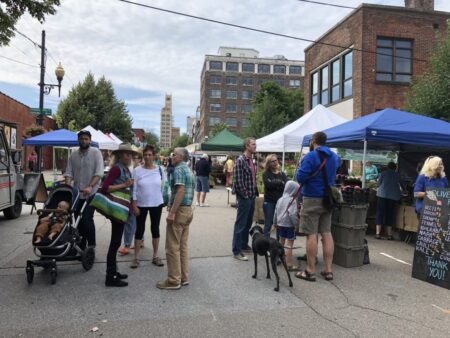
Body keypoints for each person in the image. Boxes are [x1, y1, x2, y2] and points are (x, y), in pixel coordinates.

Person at [295, 131, 340, 282]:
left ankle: (310, 270)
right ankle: (328, 270)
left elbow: (300, 177)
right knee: (326, 232)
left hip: (312, 198)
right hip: (328, 199)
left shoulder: (311, 156)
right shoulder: (334, 157)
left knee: (311, 233)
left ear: (313, 141)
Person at [156, 148, 195, 290]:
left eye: (174, 154)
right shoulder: (189, 170)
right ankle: (183, 277)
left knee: (172, 246)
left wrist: (172, 212)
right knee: (182, 246)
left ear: (181, 157)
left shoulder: (178, 169)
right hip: (188, 209)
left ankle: (173, 280)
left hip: (180, 210)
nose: (171, 156)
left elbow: (180, 191)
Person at [100, 143, 136, 287]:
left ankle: (114, 271)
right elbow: (105, 188)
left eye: (130, 154)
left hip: (122, 208)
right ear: (120, 155)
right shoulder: (116, 169)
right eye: (126, 153)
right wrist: (124, 184)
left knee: (116, 242)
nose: (129, 156)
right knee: (115, 243)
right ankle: (110, 276)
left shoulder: (125, 169)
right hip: (116, 209)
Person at [64, 130, 104, 252]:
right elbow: (69, 173)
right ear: (78, 140)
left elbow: (99, 173)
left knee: (87, 218)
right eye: (82, 139)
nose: (84, 141)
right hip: (77, 193)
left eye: (86, 139)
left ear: (90, 140)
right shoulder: (73, 155)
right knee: (78, 219)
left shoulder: (96, 153)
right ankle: (81, 243)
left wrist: (90, 186)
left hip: (91, 192)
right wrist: (67, 188)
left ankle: (91, 245)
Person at [131, 145, 166, 269]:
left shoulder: (160, 169)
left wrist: (166, 200)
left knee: (155, 229)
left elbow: (164, 186)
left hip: (157, 203)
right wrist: (134, 205)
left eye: (150, 154)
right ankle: (136, 258)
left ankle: (155, 256)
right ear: (143, 156)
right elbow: (134, 189)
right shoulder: (137, 170)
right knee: (139, 230)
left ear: (154, 156)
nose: (147, 156)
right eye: (145, 154)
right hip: (141, 204)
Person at [231, 137, 258, 261]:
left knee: (247, 223)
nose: (255, 146)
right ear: (247, 146)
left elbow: (253, 178)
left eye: (255, 144)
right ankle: (236, 250)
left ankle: (243, 244)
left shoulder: (252, 160)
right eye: (253, 144)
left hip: (252, 195)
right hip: (245, 197)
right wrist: (245, 193)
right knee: (240, 223)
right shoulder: (240, 160)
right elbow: (237, 180)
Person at [118, 150, 143, 256]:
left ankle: (127, 245)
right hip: (131, 198)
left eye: (136, 158)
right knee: (134, 221)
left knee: (131, 221)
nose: (133, 159)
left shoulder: (139, 170)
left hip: (137, 198)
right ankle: (140, 239)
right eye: (133, 158)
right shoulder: (131, 169)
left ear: (140, 159)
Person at [273, 181, 300, 271]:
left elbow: (275, 213)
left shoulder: (280, 199)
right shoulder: (292, 200)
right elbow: (292, 214)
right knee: (289, 244)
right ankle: (289, 264)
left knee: (281, 242)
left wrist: (275, 223)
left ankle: (278, 259)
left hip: (281, 224)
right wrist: (296, 224)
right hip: (289, 225)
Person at [375, 162, 402, 240]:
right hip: (393, 197)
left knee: (380, 213)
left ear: (387, 167)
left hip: (382, 195)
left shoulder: (383, 173)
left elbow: (378, 184)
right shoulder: (397, 174)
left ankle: (378, 234)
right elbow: (402, 185)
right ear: (395, 167)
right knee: (389, 214)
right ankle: (389, 235)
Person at [262, 154, 287, 237]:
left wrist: (274, 183)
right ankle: (265, 243)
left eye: (276, 160)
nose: (275, 162)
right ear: (268, 163)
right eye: (272, 161)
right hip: (269, 202)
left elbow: (285, 186)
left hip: (280, 202)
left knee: (279, 224)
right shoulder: (266, 174)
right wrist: (280, 183)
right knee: (268, 224)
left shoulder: (282, 174)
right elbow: (268, 185)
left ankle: (278, 245)